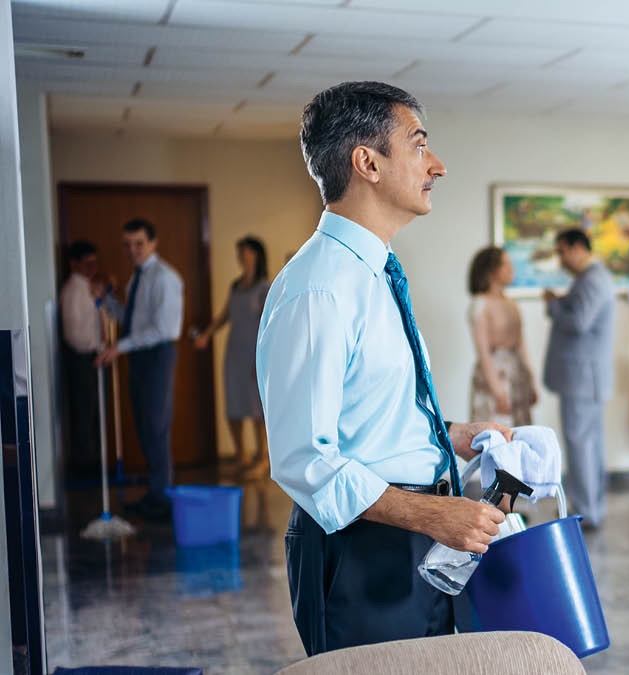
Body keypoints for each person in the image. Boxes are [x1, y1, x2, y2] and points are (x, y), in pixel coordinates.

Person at [256, 81, 512, 657]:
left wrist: (451, 436)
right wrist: (429, 513)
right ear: (367, 162)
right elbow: (305, 459)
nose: (437, 165)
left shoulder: (376, 272)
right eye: (419, 145)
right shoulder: (319, 288)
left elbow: (367, 417)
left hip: (414, 535)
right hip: (361, 548)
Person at [97, 218, 184, 521]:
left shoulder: (165, 278)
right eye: (128, 244)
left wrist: (119, 348)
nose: (132, 250)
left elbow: (163, 329)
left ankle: (161, 500)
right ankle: (155, 494)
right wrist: (107, 299)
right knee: (145, 427)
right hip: (139, 354)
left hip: (157, 355)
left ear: (153, 243)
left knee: (156, 427)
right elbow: (131, 320)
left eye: (138, 244)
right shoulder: (137, 278)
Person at [542, 229, 615, 528]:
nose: (560, 259)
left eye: (561, 251)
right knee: (588, 444)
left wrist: (553, 304)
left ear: (576, 248)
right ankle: (590, 507)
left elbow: (579, 321)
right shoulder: (591, 278)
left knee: (581, 444)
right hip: (585, 378)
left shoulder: (593, 278)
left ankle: (586, 511)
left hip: (582, 378)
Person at [194, 236, 271, 478]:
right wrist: (206, 334)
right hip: (234, 353)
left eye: (245, 252)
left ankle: (263, 459)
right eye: (239, 252)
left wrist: (263, 359)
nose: (241, 257)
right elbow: (224, 315)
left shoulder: (264, 288)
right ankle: (242, 455)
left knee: (257, 409)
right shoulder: (236, 286)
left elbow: (268, 324)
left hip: (254, 354)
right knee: (234, 406)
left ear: (256, 255)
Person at [467, 246, 538, 427]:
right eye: (505, 264)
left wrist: (531, 381)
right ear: (491, 270)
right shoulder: (480, 304)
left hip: (517, 374)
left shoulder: (512, 304)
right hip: (495, 376)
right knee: (496, 433)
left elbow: (522, 347)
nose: (511, 269)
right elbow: (483, 353)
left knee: (520, 433)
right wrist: (497, 391)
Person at [60, 241, 104, 474]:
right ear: (73, 263)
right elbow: (73, 332)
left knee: (94, 411)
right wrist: (91, 348)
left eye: (95, 263)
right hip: (82, 357)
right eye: (87, 263)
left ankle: (94, 460)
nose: (93, 268)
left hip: (94, 355)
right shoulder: (73, 290)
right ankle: (85, 464)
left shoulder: (88, 287)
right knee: (84, 412)